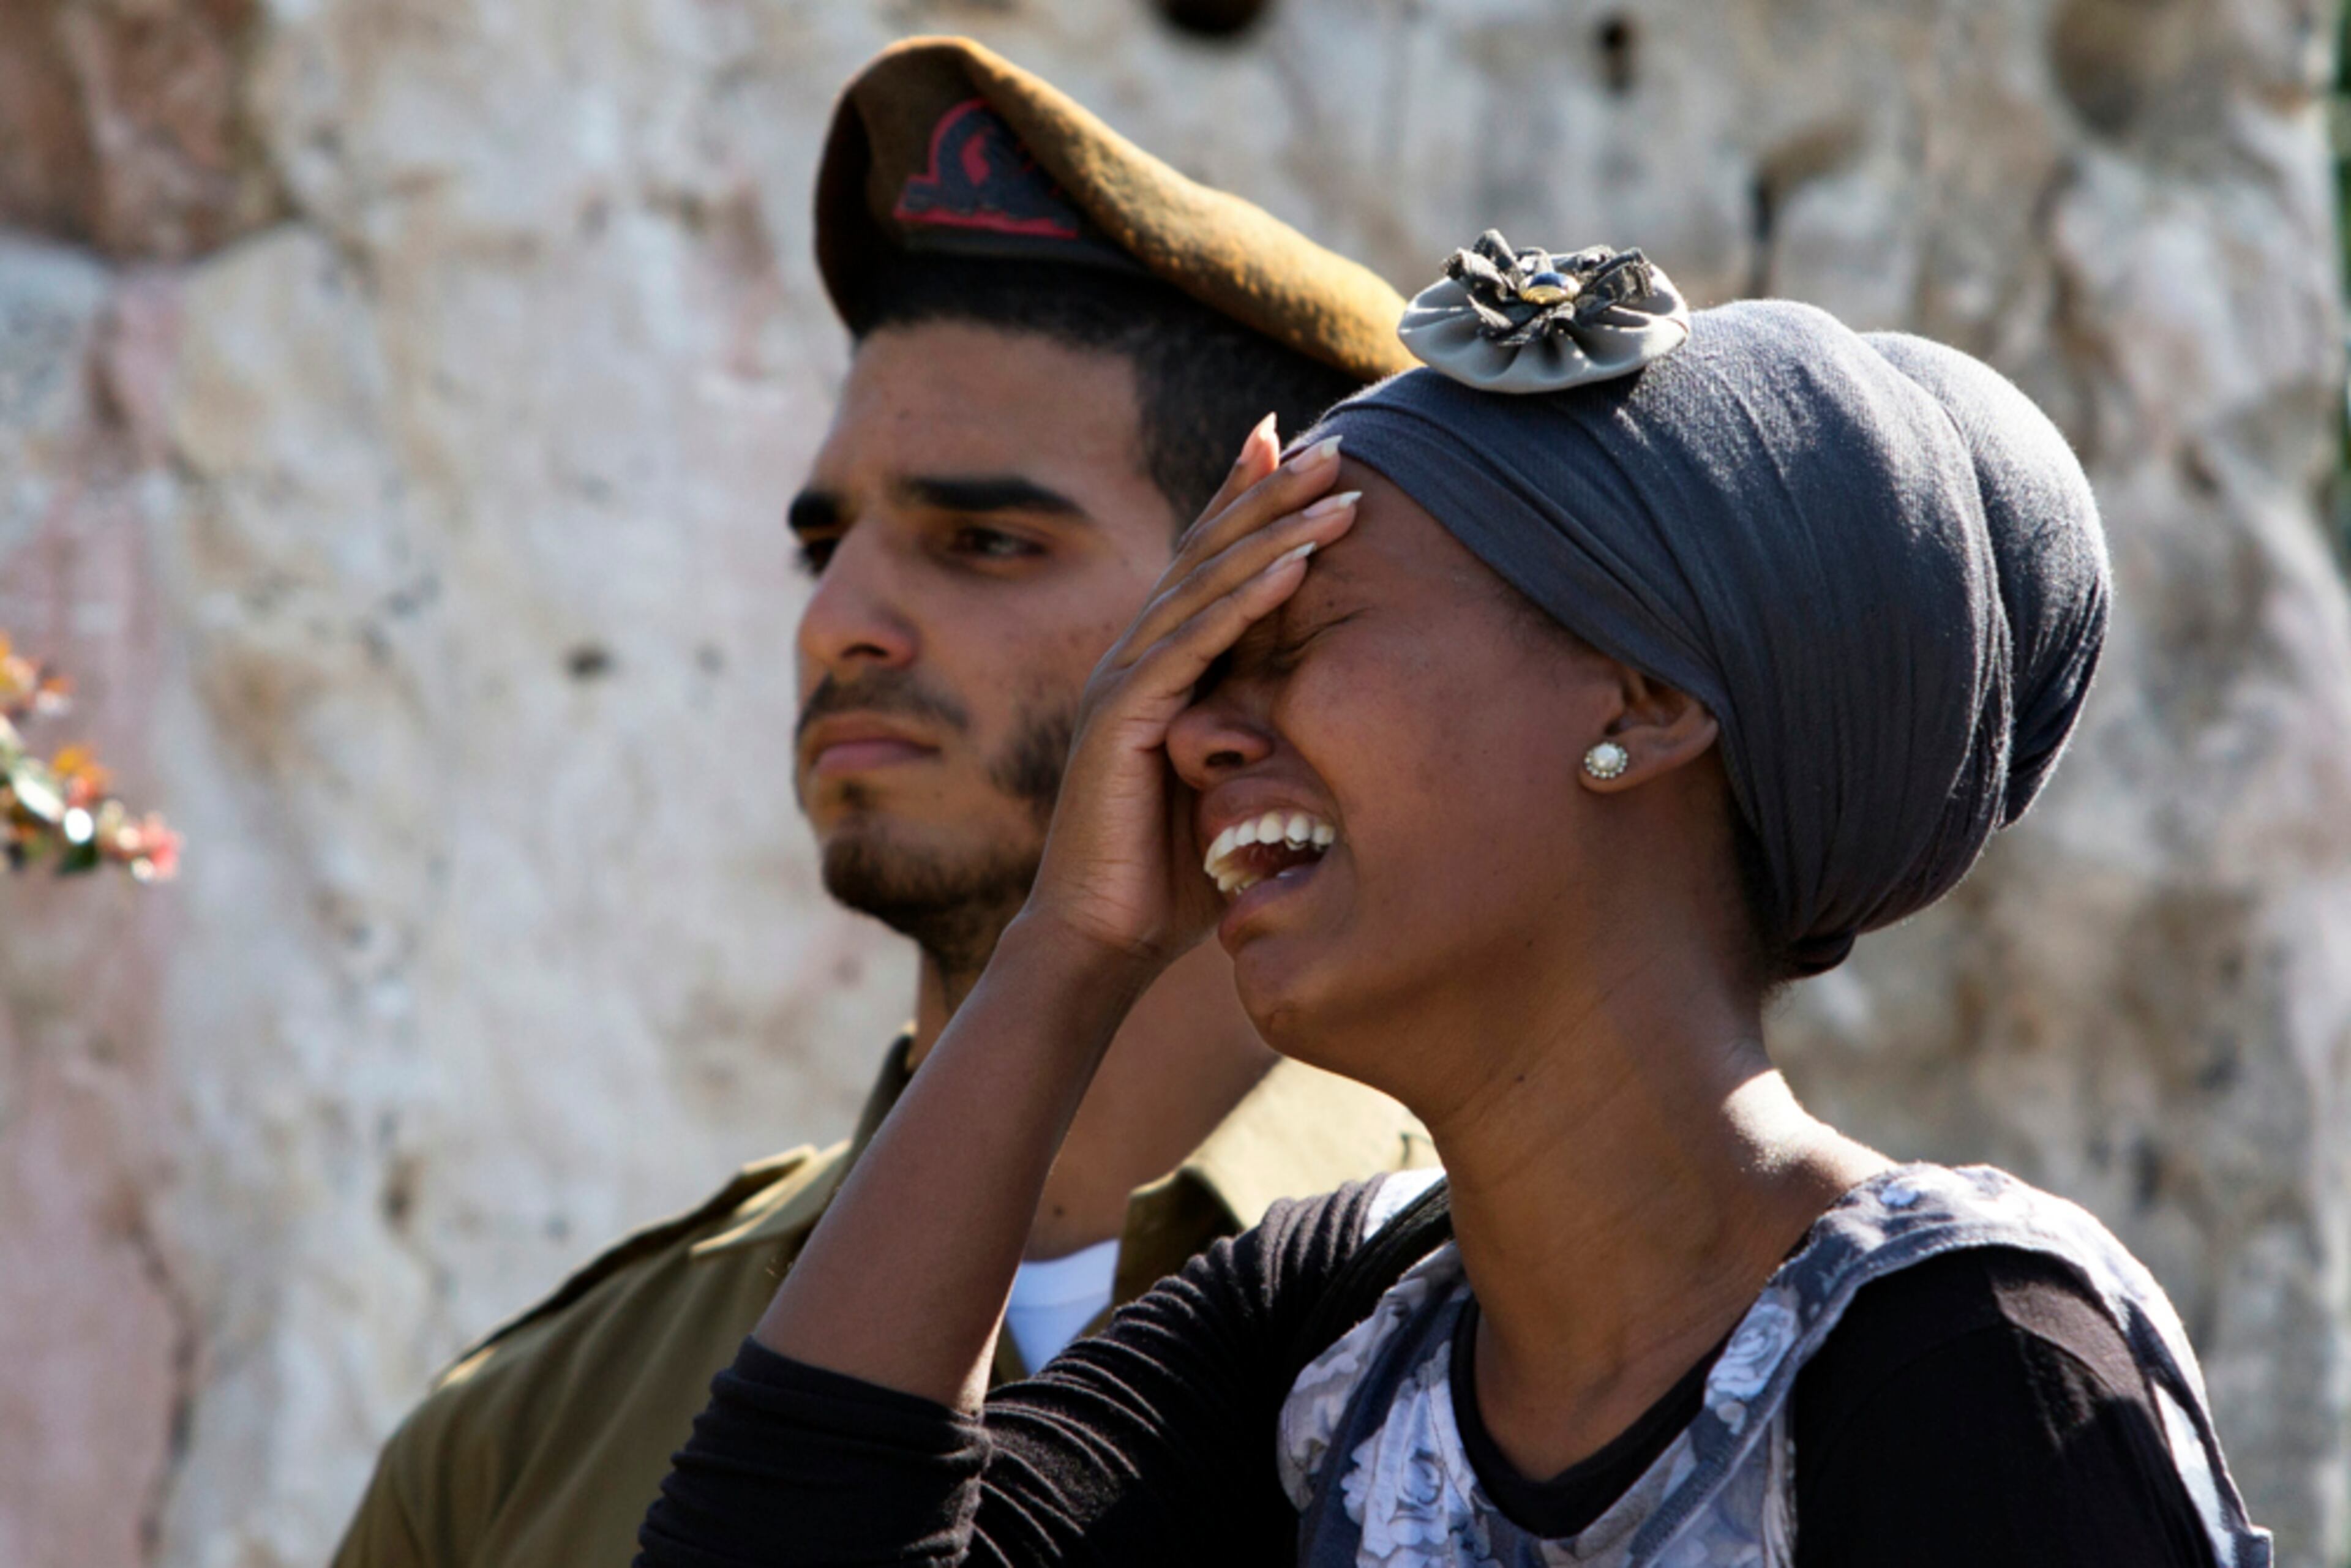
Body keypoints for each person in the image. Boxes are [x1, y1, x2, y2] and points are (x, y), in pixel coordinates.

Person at [637, 236, 2274, 1567]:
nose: (1191, 734)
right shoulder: (1323, 1335)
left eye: (1290, 641)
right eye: (1200, 662)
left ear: (1638, 701)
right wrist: (1066, 949)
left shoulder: (1966, 1361)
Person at [330, 37, 1436, 1567]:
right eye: (820, 546)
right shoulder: (530, 1432)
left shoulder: (1534, 1319)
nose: (840, 618)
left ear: (1266, 610)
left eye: (984, 543)